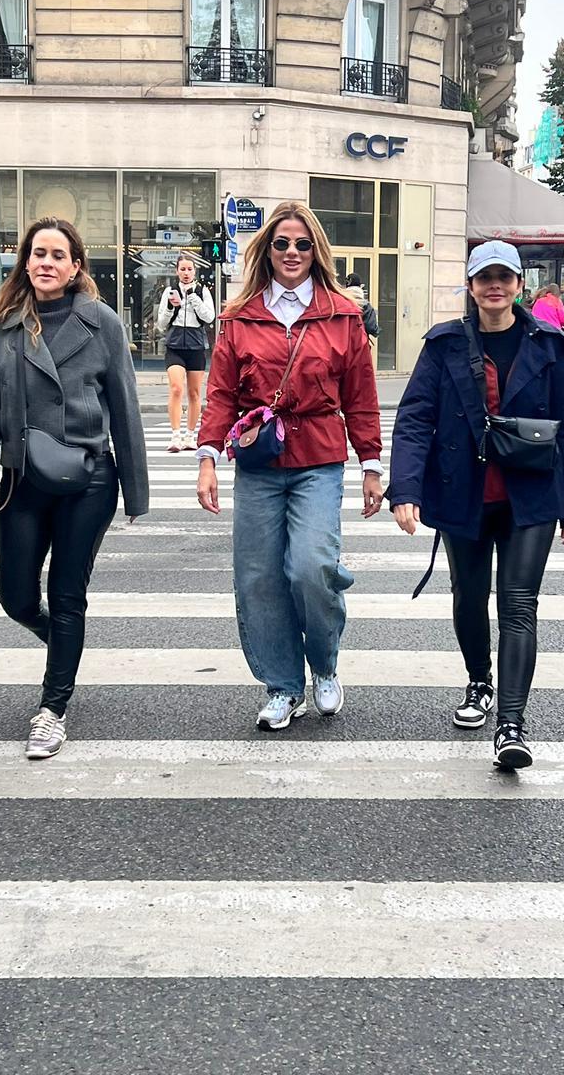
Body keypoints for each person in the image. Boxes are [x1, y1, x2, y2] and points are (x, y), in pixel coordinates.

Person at [387, 240, 564, 770]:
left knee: (518, 605)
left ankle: (512, 726)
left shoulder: (547, 343)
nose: (494, 286)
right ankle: (480, 681)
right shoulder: (444, 344)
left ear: (519, 285)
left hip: (531, 495)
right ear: (471, 287)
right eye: (484, 278)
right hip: (464, 492)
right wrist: (405, 489)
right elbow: (414, 419)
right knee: (469, 597)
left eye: (504, 277)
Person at [0, 217, 149, 759]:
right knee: (16, 598)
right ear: (26, 263)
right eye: (38, 253)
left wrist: (135, 491)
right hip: (23, 478)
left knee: (67, 595)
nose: (46, 262)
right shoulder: (5, 328)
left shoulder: (102, 323)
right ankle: (63, 643)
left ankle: (53, 708)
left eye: (57, 255)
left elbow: (125, 407)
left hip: (87, 478)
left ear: (75, 266)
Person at [196, 201, 383, 731]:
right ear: (268, 250)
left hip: (319, 457)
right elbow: (220, 394)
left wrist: (371, 464)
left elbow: (361, 396)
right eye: (282, 243)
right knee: (258, 577)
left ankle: (323, 664)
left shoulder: (341, 315)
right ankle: (282, 685)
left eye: (302, 243)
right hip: (259, 461)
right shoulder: (239, 316)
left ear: (316, 250)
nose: (292, 252)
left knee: (311, 567)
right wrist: (208, 457)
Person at [156, 254, 215, 452]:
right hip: (174, 345)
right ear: (177, 271)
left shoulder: (202, 291)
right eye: (182, 269)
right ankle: (175, 436)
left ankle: (190, 436)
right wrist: (170, 307)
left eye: (190, 269)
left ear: (195, 271)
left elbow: (209, 317)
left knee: (194, 393)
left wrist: (194, 298)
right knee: (176, 388)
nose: (186, 273)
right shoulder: (169, 291)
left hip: (196, 345)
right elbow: (161, 324)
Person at [344, 271, 379, 338]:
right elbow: (371, 328)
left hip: (343, 341)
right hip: (359, 341)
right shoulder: (365, 305)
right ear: (360, 286)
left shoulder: (341, 302)